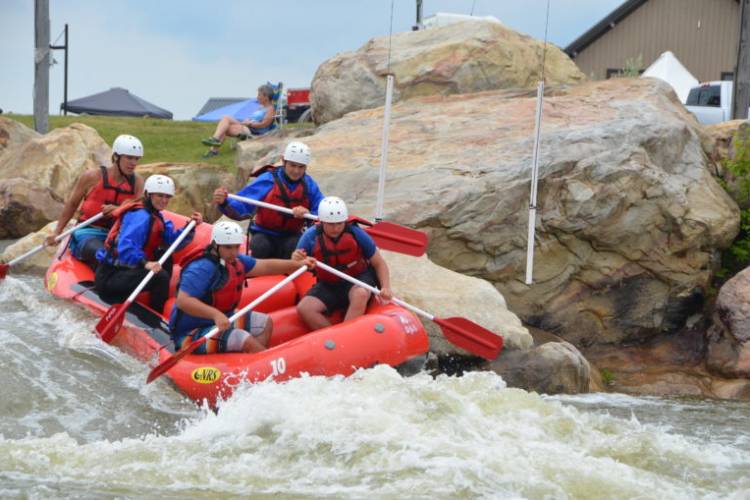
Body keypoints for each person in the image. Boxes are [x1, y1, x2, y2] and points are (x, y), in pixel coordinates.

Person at [169, 221, 316, 354]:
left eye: (236, 247)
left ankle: (253, 363)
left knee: (264, 322)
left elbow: (264, 266)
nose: (233, 252)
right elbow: (183, 300)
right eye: (228, 247)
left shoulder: (235, 260)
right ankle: (262, 364)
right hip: (191, 332)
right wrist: (215, 314)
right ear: (215, 244)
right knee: (243, 338)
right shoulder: (202, 267)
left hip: (220, 320)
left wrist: (297, 264)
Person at [94, 174, 202, 314]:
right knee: (160, 276)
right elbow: (126, 247)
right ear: (148, 194)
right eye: (160, 196)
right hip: (110, 276)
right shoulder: (140, 216)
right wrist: (145, 263)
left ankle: (163, 302)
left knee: (164, 255)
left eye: (167, 197)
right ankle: (155, 316)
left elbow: (171, 242)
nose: (164, 200)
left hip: (126, 271)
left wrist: (190, 226)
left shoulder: (156, 215)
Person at [46, 134, 146, 269]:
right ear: (116, 157)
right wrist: (57, 232)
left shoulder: (137, 182)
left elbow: (139, 211)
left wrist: (119, 209)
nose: (133, 163)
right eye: (129, 158)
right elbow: (72, 204)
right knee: (104, 256)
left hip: (117, 236)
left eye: (136, 159)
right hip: (87, 232)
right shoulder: (92, 177)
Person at [213, 141, 324, 259]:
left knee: (296, 247)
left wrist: (308, 213)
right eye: (292, 165)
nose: (296, 171)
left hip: (292, 235)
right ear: (283, 161)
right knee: (260, 246)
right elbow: (242, 205)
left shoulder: (309, 185)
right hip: (264, 233)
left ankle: (289, 272)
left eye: (301, 167)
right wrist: (224, 202)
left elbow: (322, 212)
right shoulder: (268, 180)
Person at [296, 196, 393, 330]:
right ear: (322, 221)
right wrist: (299, 259)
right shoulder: (310, 236)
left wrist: (386, 287)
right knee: (305, 308)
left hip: (357, 278)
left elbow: (379, 263)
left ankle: (347, 333)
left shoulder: (356, 233)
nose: (336, 228)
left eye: (339, 223)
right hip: (329, 284)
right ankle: (334, 337)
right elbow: (296, 261)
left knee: (361, 294)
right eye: (331, 224)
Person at [201, 84, 276, 158]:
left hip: (255, 132)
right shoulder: (261, 107)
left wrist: (250, 124)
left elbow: (264, 124)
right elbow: (253, 118)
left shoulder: (270, 109)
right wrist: (247, 121)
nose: (257, 97)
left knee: (225, 124)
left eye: (259, 95)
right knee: (225, 120)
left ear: (266, 97)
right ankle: (215, 142)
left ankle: (214, 147)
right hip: (247, 126)